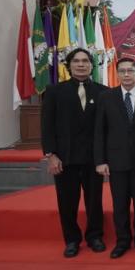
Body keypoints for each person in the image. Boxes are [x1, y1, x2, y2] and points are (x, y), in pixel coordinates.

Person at [42, 48, 108, 258]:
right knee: (67, 201)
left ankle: (95, 236)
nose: (81, 65)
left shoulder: (103, 92)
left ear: (91, 65)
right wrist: (51, 154)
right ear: (69, 65)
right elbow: (47, 126)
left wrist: (104, 157)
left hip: (93, 159)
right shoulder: (54, 91)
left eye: (85, 61)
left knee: (94, 201)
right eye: (77, 61)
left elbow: (106, 127)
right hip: (65, 158)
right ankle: (71, 240)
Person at [94, 58, 135, 258]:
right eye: (123, 71)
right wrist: (100, 160)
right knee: (119, 204)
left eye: (131, 71)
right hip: (116, 162)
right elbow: (99, 132)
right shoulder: (106, 97)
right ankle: (122, 240)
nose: (127, 75)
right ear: (118, 74)